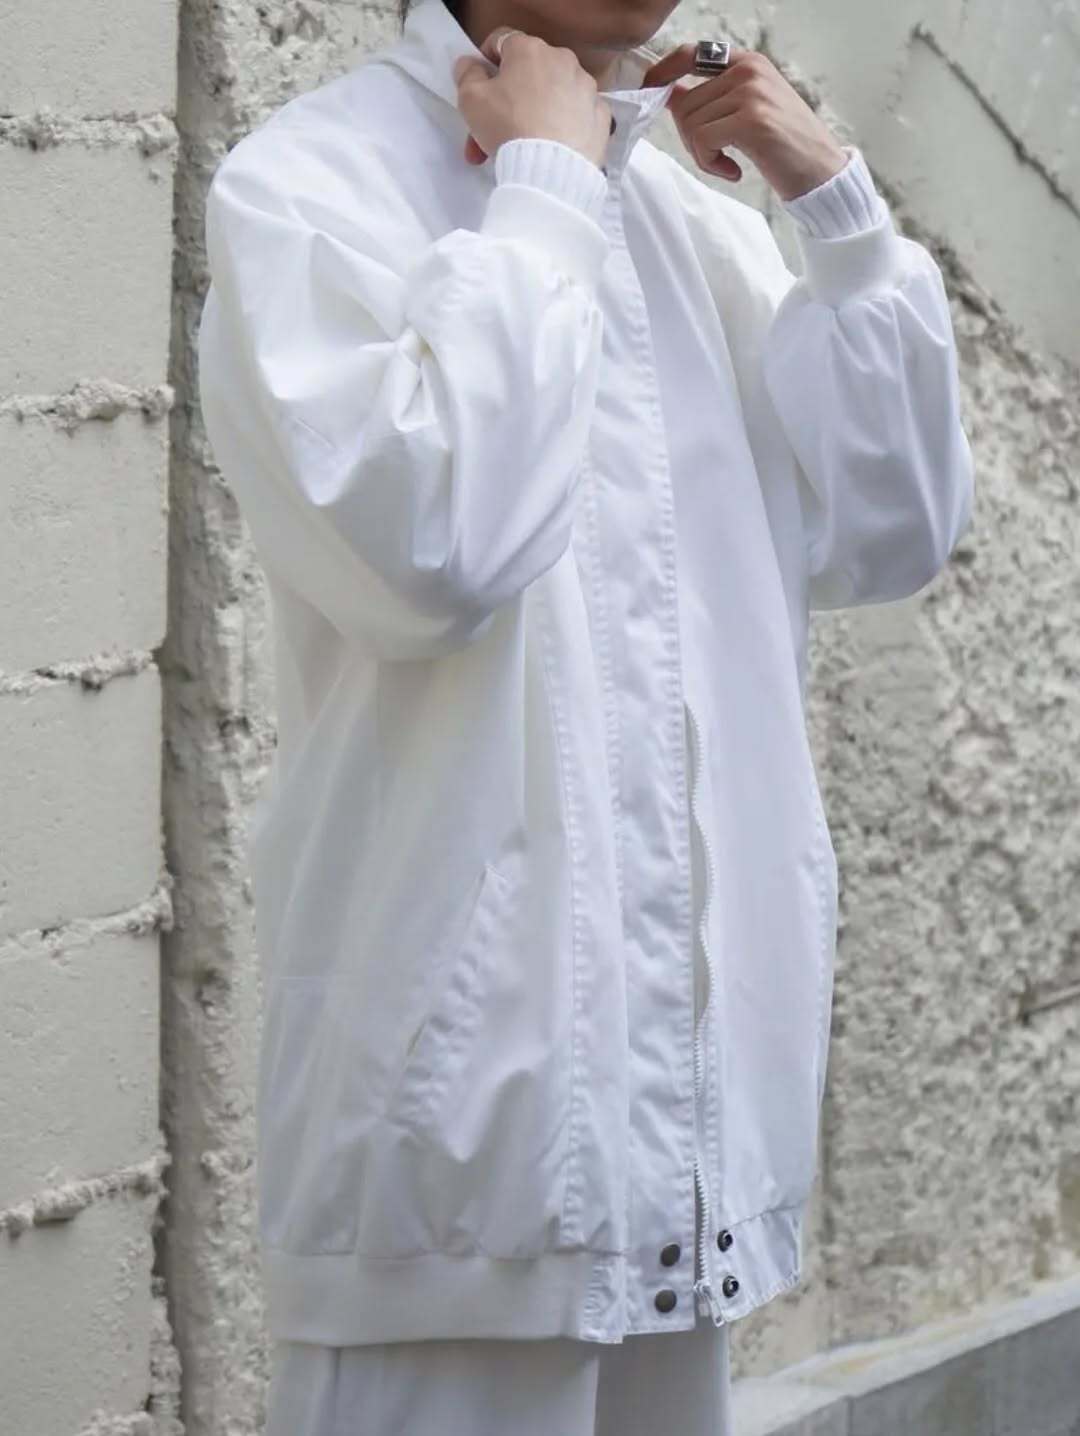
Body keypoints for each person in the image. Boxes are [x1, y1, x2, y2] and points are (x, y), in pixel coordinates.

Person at [197, 0, 974, 1428]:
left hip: (681, 1164)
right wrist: (545, 192)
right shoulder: (308, 188)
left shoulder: (702, 231)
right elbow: (438, 552)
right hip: (446, 1185)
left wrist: (841, 217)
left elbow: (896, 528)